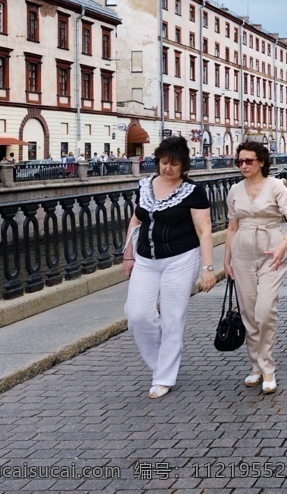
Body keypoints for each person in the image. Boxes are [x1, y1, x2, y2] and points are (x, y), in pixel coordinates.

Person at [122, 135, 217, 399]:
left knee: (173, 319)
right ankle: (158, 363)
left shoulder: (193, 192)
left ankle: (164, 376)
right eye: (164, 163)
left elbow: (204, 229)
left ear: (183, 165)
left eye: (174, 164)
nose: (168, 168)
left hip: (180, 258)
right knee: (137, 315)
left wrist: (208, 268)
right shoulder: (145, 186)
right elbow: (136, 221)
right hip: (145, 259)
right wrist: (127, 255)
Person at [223, 141, 287, 394]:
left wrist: (283, 245)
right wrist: (226, 259)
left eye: (249, 161)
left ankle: (268, 366)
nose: (243, 165)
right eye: (240, 161)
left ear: (261, 162)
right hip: (242, 254)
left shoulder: (276, 186)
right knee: (248, 312)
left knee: (265, 310)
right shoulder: (235, 190)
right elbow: (232, 227)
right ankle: (256, 366)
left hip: (272, 252)